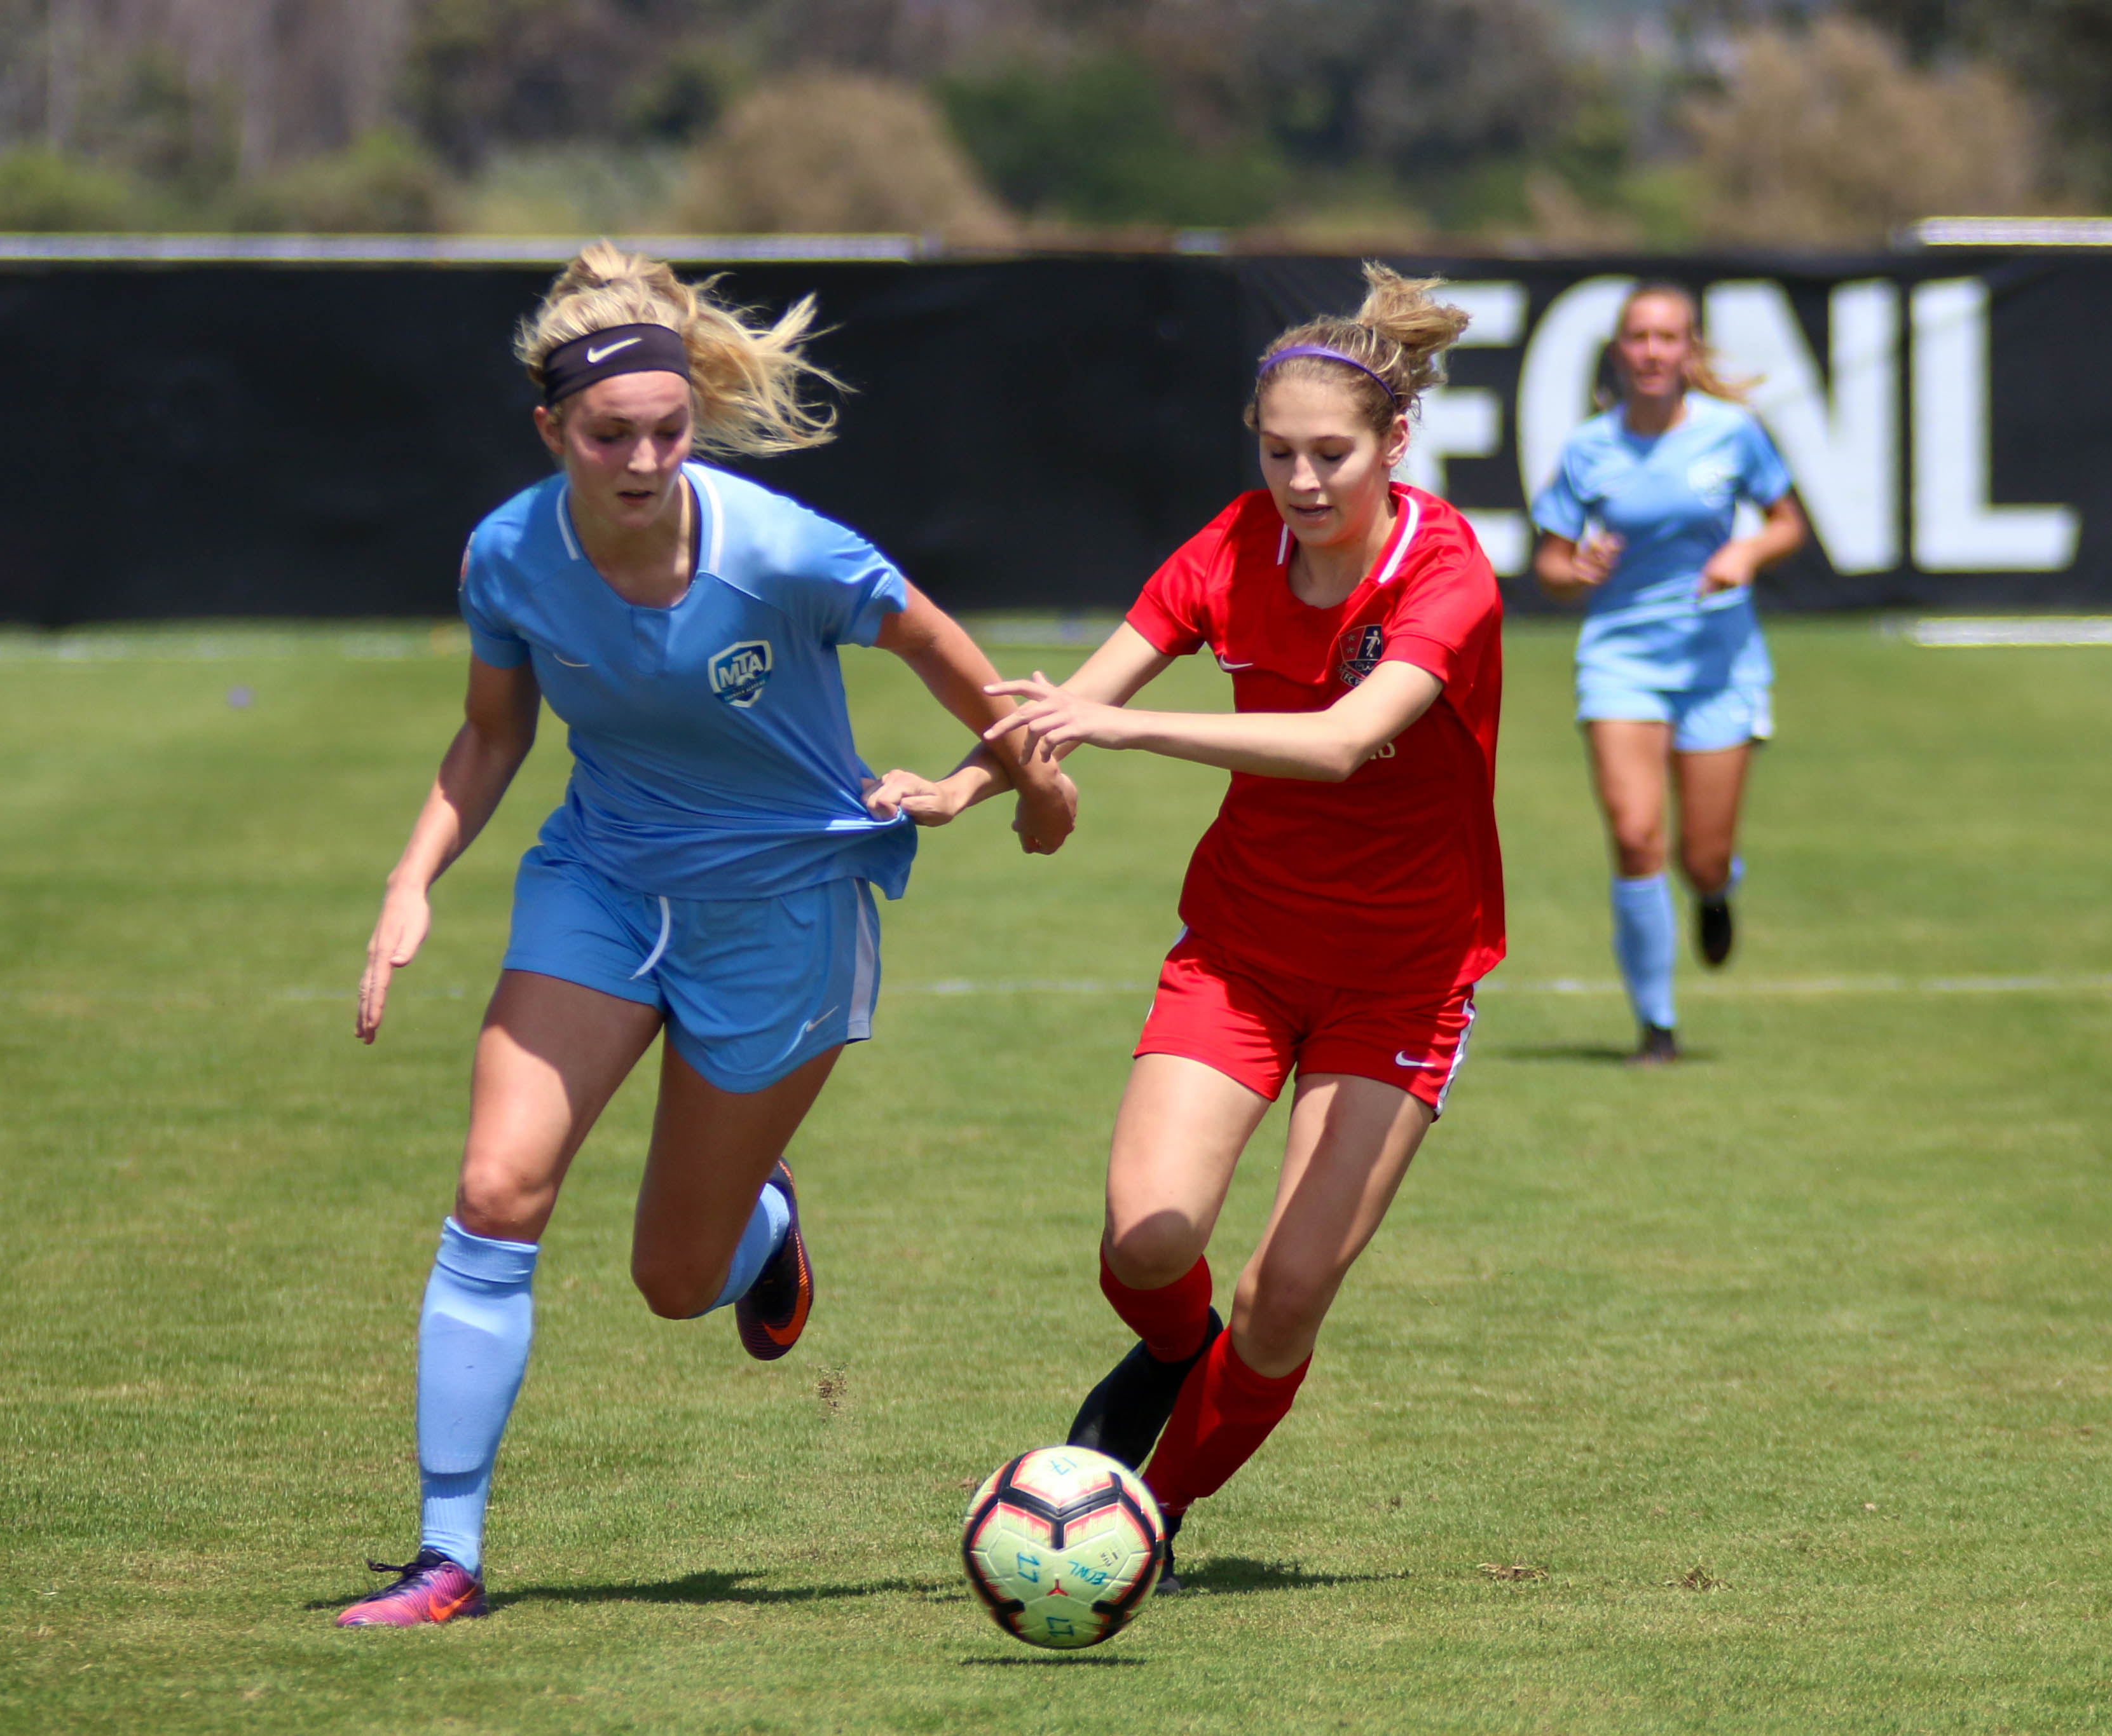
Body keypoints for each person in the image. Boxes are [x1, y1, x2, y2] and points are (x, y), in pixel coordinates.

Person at [334, 243, 1077, 1627]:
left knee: (677, 1281)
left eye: (668, 429)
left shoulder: (785, 550)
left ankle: (764, 1224)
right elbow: (495, 735)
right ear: (552, 429)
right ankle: (448, 1558)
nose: (643, 459)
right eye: (610, 434)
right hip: (601, 884)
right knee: (497, 1191)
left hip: (785, 909)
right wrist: (411, 875)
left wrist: (1020, 780)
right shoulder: (505, 554)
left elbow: (951, 658)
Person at [973, 264, 1500, 1583]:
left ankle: (1141, 1518)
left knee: (1281, 1301)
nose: (1304, 482)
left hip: (1406, 979)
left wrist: (1124, 728)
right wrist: (964, 780)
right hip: (1243, 953)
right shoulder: (1228, 546)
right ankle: (1169, 1353)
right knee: (1147, 1243)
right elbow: (1079, 691)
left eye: (1332, 454)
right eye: (1279, 455)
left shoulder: (1446, 571)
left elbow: (1339, 743)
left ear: (1395, 444)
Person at [1528, 282, 1808, 1064]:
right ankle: (1656, 1026)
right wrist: (1573, 565)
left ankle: (1716, 891)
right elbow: (1548, 561)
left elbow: (1789, 522)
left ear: (1690, 351)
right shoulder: (1589, 447)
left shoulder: (1733, 434)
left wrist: (1745, 550)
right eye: (1638, 336)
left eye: (1668, 337)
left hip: (1719, 664)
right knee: (1634, 835)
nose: (1652, 351)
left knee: (1701, 856)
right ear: (1618, 349)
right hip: (1621, 660)